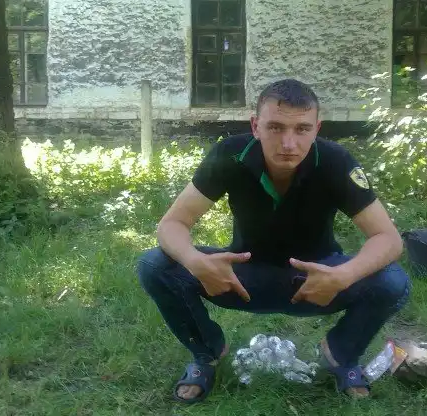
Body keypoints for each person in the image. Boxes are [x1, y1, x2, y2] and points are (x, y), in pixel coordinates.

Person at [136, 78, 411, 404]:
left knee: (393, 280)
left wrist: (343, 275)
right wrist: (196, 262)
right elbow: (172, 224)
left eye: (302, 129)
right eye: (276, 127)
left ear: (317, 129)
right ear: (256, 126)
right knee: (155, 264)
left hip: (316, 281)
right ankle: (207, 353)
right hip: (242, 278)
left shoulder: (335, 161)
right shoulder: (231, 155)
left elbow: (388, 238)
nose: (289, 143)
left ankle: (341, 354)